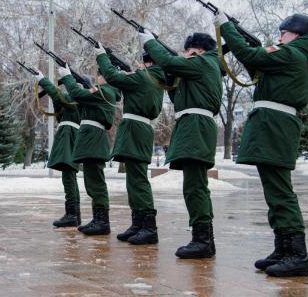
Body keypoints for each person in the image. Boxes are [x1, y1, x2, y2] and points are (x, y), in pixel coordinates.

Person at [215, 12, 308, 277]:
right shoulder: (294, 56)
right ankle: (284, 248)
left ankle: (297, 256)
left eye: (283, 33)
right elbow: (259, 67)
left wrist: (226, 28)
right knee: (275, 192)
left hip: (275, 127)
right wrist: (247, 44)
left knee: (280, 192)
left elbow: (253, 57)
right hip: (273, 126)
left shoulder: (292, 54)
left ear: (296, 34)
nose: (279, 37)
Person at [140, 31, 222, 258]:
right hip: (191, 125)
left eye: (188, 50)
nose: (186, 55)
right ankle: (204, 239)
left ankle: (202, 240)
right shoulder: (200, 67)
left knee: (195, 187)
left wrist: (149, 41)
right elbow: (177, 97)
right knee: (194, 186)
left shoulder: (203, 62)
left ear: (199, 50)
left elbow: (167, 60)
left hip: (195, 125)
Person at [94, 44, 165, 245]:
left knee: (139, 179)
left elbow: (113, 77)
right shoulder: (154, 79)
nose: (141, 66)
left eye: (144, 62)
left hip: (136, 129)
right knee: (133, 179)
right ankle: (139, 223)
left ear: (149, 63)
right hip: (135, 128)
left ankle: (149, 227)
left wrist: (101, 56)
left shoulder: (145, 77)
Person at [57, 65, 120, 235]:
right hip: (91, 140)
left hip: (94, 140)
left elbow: (76, 95)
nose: (97, 79)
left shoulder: (105, 91)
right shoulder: (104, 92)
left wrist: (68, 77)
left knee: (96, 184)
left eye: (99, 76)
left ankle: (102, 222)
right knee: (92, 183)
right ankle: (98, 219)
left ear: (104, 77)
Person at [33, 72, 82, 227]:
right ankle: (74, 214)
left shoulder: (76, 100)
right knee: (69, 177)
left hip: (69, 137)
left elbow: (57, 94)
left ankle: (72, 214)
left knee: (68, 176)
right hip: (69, 136)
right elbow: (59, 106)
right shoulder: (74, 102)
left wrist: (42, 80)